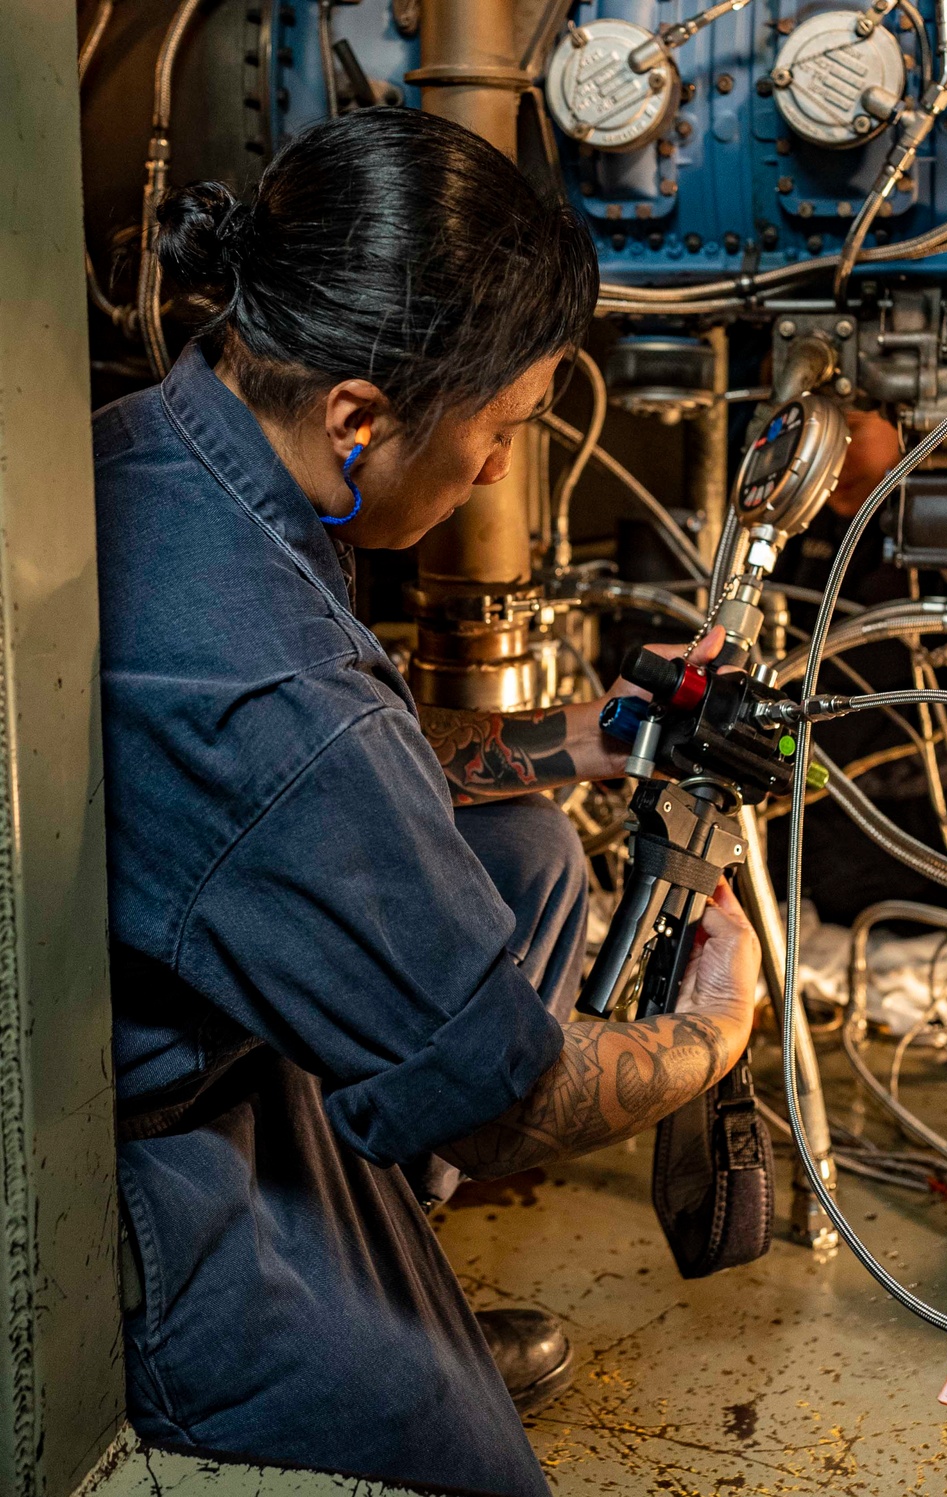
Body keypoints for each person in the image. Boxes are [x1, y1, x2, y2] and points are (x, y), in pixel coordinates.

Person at [94, 108, 760, 1497]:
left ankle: (393, 1256)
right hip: (148, 1182)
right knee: (477, 1466)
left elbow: (351, 769)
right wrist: (712, 1031)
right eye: (501, 428)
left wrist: (583, 736)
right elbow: (504, 1102)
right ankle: (356, 1337)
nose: (500, 470)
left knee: (516, 842)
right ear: (359, 416)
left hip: (161, 986)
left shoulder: (177, 442)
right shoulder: (277, 694)